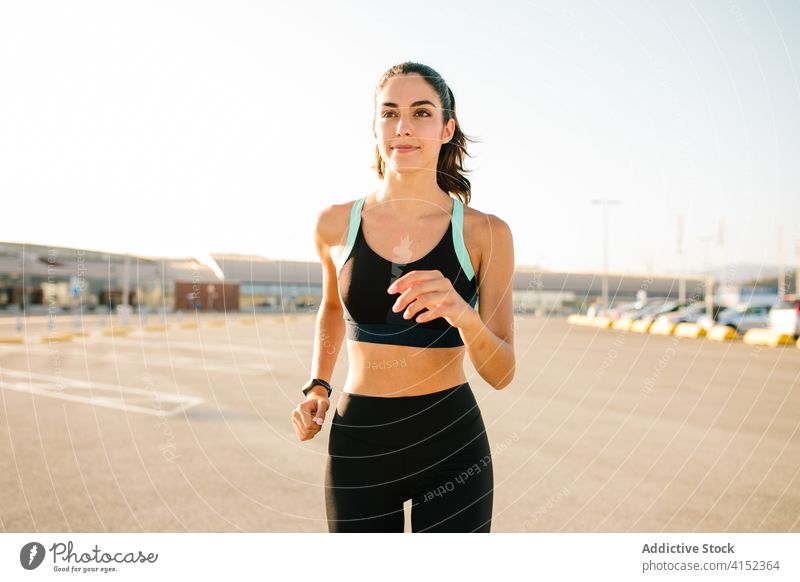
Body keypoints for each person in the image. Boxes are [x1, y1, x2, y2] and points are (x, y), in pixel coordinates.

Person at [290, 61, 515, 533]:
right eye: (389, 113)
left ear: (447, 128)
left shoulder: (485, 233)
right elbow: (332, 309)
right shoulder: (333, 223)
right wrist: (317, 386)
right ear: (375, 126)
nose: (403, 128)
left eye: (421, 113)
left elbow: (502, 373)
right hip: (360, 442)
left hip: (452, 444)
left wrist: (462, 314)